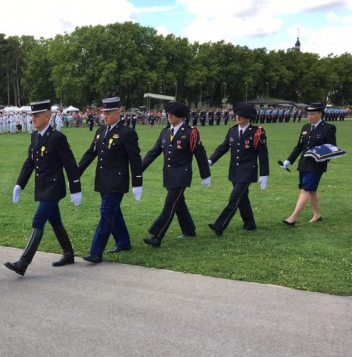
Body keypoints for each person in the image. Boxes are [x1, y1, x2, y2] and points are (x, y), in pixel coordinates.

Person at [5, 100, 82, 276]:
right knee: (55, 221)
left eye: (37, 116)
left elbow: (70, 164)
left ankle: (23, 263)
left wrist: (75, 187)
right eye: (32, 116)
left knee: (38, 220)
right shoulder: (35, 136)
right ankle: (68, 254)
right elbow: (30, 162)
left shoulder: (57, 138)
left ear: (47, 116)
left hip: (54, 187)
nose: (33, 119)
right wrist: (19, 184)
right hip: (42, 187)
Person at [77, 97, 143, 263]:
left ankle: (96, 252)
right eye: (103, 112)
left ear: (118, 113)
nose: (104, 116)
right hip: (102, 180)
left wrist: (137, 183)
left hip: (116, 182)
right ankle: (123, 242)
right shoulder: (100, 131)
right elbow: (90, 153)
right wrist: (75, 172)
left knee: (106, 213)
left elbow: (135, 160)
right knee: (114, 212)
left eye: (108, 113)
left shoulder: (127, 133)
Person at [141, 102, 211, 248]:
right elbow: (153, 152)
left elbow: (200, 154)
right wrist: (138, 169)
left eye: (172, 114)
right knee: (179, 204)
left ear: (180, 116)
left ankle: (157, 236)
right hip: (168, 175)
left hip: (181, 176)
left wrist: (205, 175)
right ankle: (189, 230)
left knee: (170, 206)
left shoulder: (190, 133)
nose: (169, 116)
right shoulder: (165, 132)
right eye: (168, 113)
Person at [207, 104, 269, 236]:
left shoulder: (257, 132)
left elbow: (263, 154)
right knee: (242, 198)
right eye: (237, 115)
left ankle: (220, 225)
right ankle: (250, 224)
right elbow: (223, 147)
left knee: (234, 197)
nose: (238, 117)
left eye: (241, 115)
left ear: (249, 117)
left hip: (247, 171)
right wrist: (210, 160)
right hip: (235, 170)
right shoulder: (232, 130)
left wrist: (264, 174)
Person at [281, 102, 337, 226]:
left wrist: (322, 159)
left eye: (312, 114)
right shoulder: (305, 127)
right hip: (304, 163)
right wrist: (288, 161)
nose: (309, 116)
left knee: (305, 189)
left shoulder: (328, 128)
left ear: (320, 114)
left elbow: (331, 147)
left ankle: (292, 218)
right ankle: (317, 215)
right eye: (308, 114)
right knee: (311, 190)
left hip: (317, 165)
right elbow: (299, 146)